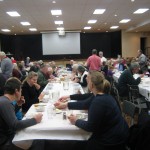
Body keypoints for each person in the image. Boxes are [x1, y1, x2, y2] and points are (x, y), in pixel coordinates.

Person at [55, 71, 128, 150]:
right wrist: (66, 105)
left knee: (76, 144)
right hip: (118, 135)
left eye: (88, 79)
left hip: (110, 142)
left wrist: (76, 121)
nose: (86, 79)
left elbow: (90, 127)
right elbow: (85, 103)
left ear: (92, 85)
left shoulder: (99, 101)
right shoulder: (102, 94)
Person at [0, 77, 43, 150]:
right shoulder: (5, 103)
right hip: (5, 143)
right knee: (38, 139)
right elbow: (15, 125)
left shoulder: (3, 100)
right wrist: (35, 120)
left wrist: (18, 105)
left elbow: (7, 117)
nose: (21, 93)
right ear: (16, 91)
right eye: (21, 91)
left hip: (6, 138)